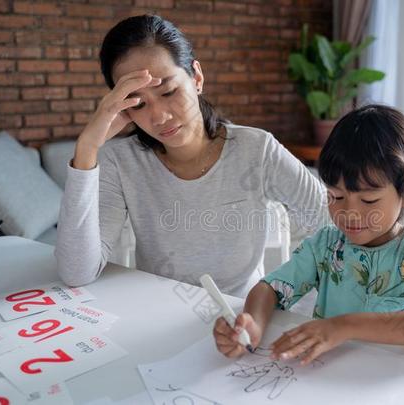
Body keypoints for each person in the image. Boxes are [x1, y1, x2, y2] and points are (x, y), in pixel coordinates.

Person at [55, 14, 326, 297]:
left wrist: (279, 291)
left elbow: (332, 223)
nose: (159, 116)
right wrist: (87, 147)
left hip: (242, 315)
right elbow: (77, 273)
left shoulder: (256, 150)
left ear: (196, 77)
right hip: (160, 313)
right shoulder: (120, 161)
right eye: (138, 103)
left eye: (169, 91)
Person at [213, 104, 404, 363]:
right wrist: (253, 323)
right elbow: (270, 289)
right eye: (337, 196)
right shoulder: (326, 246)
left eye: (368, 200)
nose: (350, 213)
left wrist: (344, 326)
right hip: (333, 379)